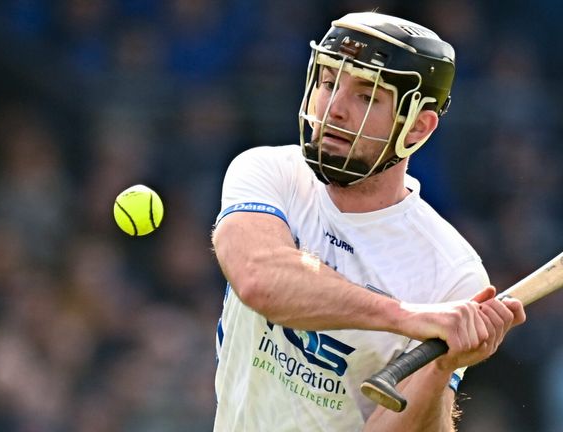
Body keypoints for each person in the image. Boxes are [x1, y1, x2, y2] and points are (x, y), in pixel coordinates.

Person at [210, 11, 526, 431]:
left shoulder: (453, 273)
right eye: (328, 82)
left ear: (417, 127)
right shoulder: (269, 172)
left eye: (366, 95)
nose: (335, 108)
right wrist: (405, 317)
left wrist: (441, 366)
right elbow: (258, 277)